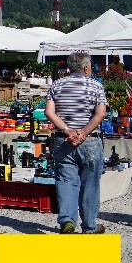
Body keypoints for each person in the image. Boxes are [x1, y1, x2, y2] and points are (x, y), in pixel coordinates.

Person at [44, 51, 108, 234]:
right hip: (90, 141)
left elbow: (49, 112)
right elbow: (100, 114)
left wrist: (67, 130)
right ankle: (89, 226)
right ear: (86, 68)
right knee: (90, 183)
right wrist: (83, 133)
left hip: (64, 140)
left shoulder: (56, 85)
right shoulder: (96, 86)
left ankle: (67, 221)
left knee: (66, 181)